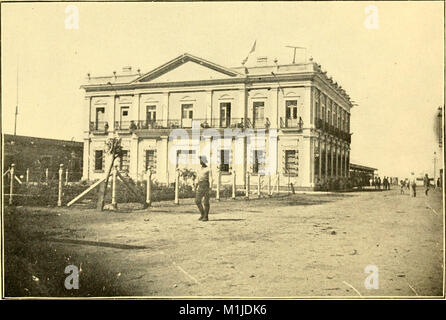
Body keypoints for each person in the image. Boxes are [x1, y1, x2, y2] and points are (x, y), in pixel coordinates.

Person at [195, 156, 210, 222]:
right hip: (200, 185)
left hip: (206, 185)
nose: (200, 161)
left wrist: (210, 188)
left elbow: (211, 179)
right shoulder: (199, 169)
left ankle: (206, 216)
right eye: (200, 160)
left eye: (201, 160)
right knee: (197, 200)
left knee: (206, 202)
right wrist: (196, 185)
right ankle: (202, 214)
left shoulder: (208, 169)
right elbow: (197, 178)